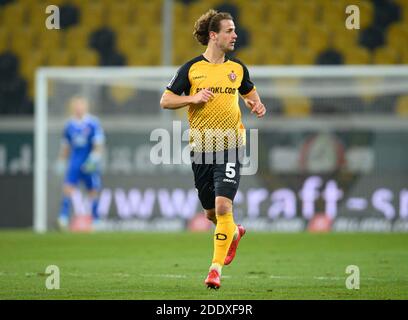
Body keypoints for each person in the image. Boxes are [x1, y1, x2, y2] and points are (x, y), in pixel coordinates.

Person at [160, 9, 266, 289]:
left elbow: (249, 93)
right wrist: (193, 97)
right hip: (201, 150)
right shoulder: (192, 69)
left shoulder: (238, 68)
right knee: (211, 214)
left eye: (234, 30)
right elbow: (166, 100)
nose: (235, 35)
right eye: (229, 30)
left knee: (222, 206)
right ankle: (233, 232)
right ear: (213, 35)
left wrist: (255, 104)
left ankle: (214, 270)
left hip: (230, 145)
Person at [56, 95, 105, 231]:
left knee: (93, 190)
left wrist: (94, 159)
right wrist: (61, 160)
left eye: (81, 105)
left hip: (89, 163)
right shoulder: (69, 126)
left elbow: (98, 144)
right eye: (76, 106)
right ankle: (63, 218)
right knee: (67, 189)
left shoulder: (93, 123)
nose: (79, 108)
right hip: (74, 163)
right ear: (73, 108)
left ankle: (95, 220)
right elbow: (66, 146)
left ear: (85, 107)